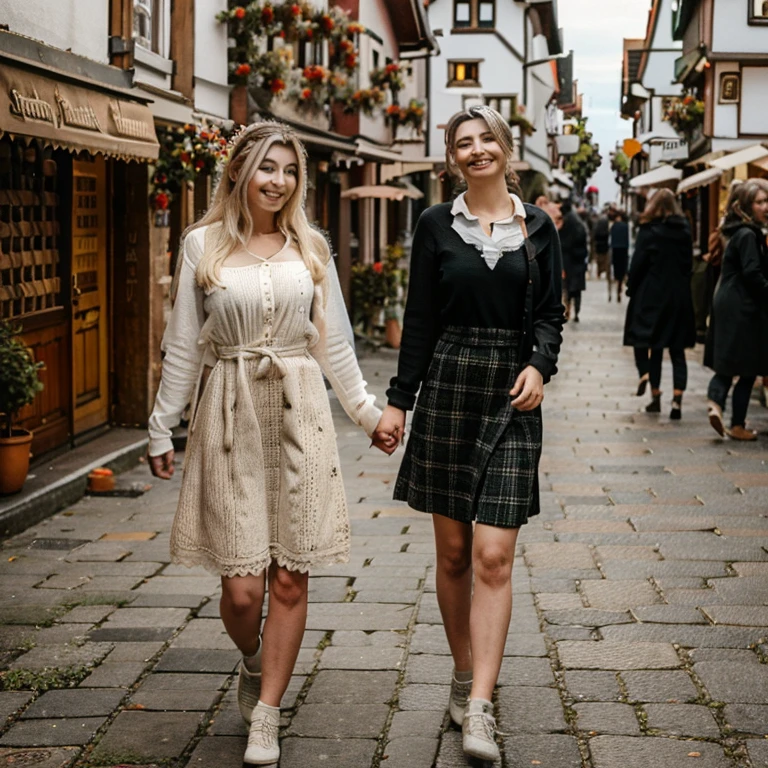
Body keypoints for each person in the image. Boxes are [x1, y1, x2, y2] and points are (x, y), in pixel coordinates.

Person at [146, 121, 393, 766]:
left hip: (299, 409)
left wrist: (367, 416)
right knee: (241, 590)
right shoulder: (201, 246)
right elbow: (181, 346)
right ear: (239, 172)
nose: (279, 181)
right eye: (267, 167)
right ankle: (253, 660)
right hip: (227, 412)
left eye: (288, 170)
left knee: (290, 577)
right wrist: (159, 424)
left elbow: (334, 343)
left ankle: (267, 713)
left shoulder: (310, 247)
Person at [374, 105, 564, 762]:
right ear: (452, 156)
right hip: (449, 387)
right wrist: (399, 401)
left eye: (487, 139)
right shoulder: (434, 225)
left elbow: (550, 316)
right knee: (453, 556)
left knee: (492, 557)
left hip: (512, 397)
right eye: (464, 142)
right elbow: (419, 317)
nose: (477, 149)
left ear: (506, 149)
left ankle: (480, 704)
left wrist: (541, 363)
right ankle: (462, 672)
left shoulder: (538, 225)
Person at [622, 189, 696, 419]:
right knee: (677, 351)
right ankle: (677, 402)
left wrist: (631, 288)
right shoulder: (684, 231)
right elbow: (688, 265)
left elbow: (638, 265)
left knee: (654, 347)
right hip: (679, 296)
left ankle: (654, 395)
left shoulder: (649, 231)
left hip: (652, 294)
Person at [704, 180, 768, 440]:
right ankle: (737, 424)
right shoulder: (748, 235)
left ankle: (716, 404)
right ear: (745, 206)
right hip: (743, 304)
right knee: (749, 364)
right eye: (760, 202)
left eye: (767, 201)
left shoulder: (739, 233)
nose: (766, 206)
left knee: (730, 361)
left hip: (729, 301)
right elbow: (752, 273)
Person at [559, 197, 589, 322]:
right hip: (579, 260)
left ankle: (567, 311)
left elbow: (562, 242)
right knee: (576, 290)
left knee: (567, 287)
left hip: (568, 260)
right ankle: (576, 312)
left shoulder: (566, 221)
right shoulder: (578, 221)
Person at [593, 208, 612, 293]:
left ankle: (599, 273)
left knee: (599, 260)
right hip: (605, 245)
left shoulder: (598, 223)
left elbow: (595, 233)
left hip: (598, 245)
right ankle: (604, 273)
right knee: (604, 260)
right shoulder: (606, 225)